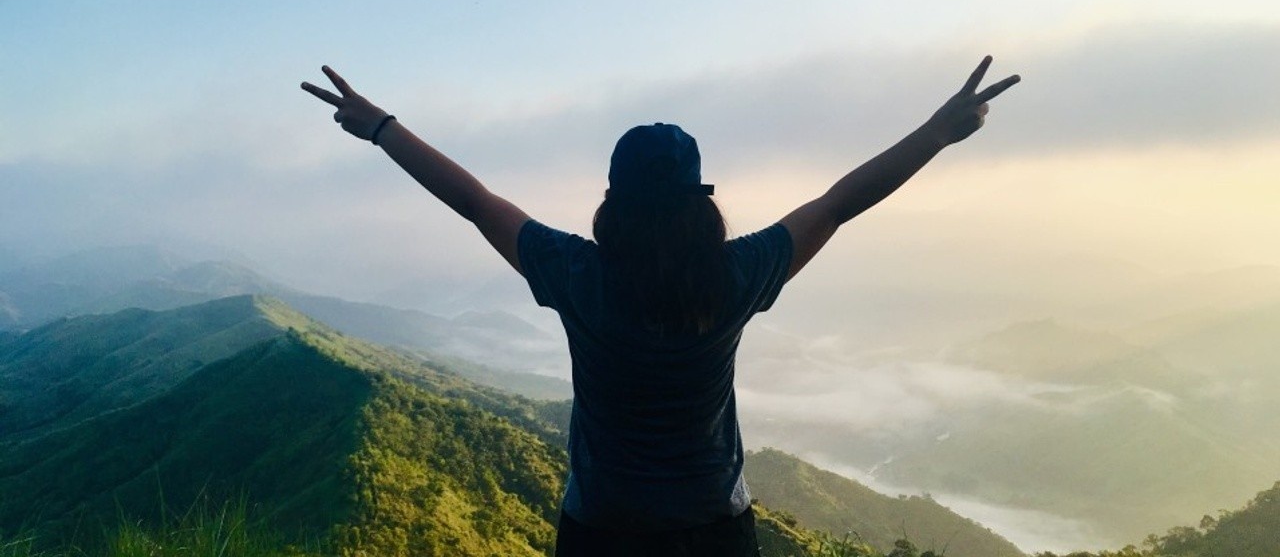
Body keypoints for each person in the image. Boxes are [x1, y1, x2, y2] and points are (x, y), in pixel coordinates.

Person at [301, 57, 1019, 556]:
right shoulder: (736, 276)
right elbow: (837, 204)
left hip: (601, 528)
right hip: (714, 527)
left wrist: (380, 127)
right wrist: (936, 133)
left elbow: (474, 201)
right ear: (697, 202)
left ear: (613, 200)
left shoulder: (576, 273)